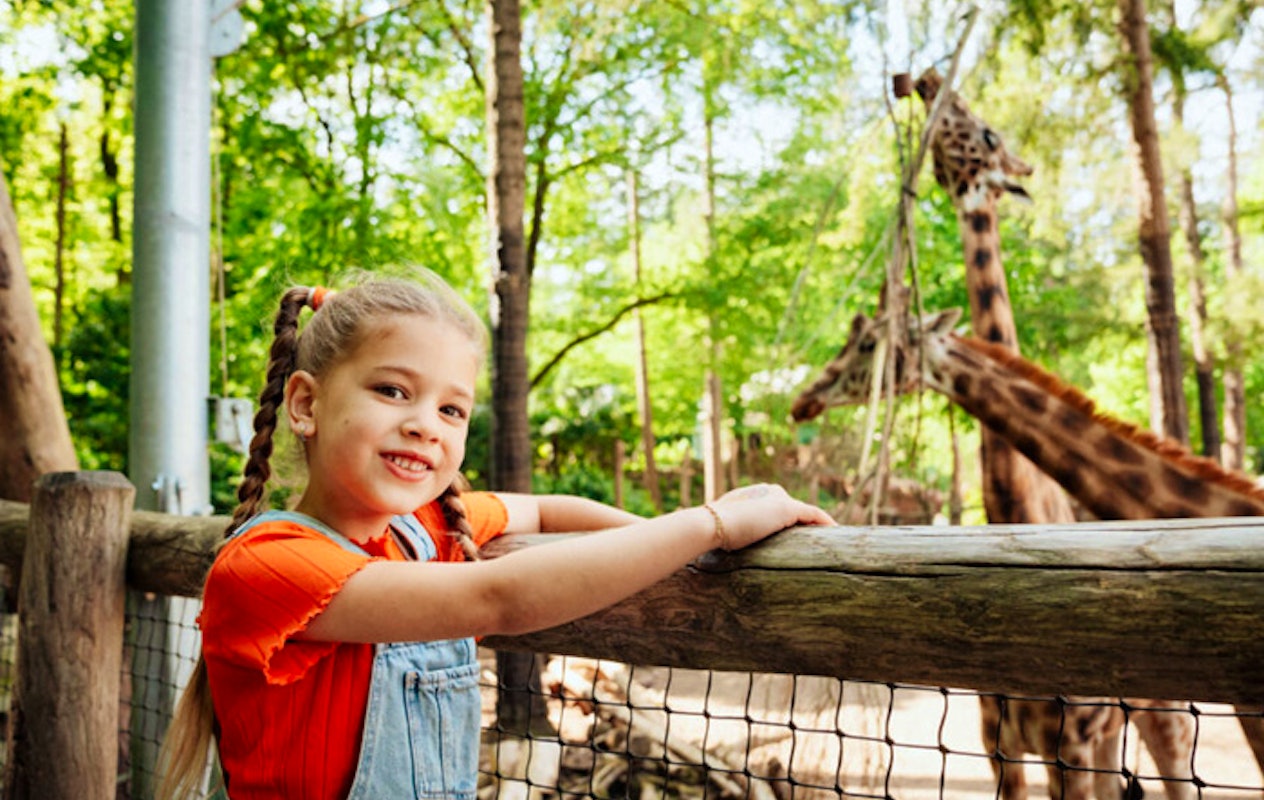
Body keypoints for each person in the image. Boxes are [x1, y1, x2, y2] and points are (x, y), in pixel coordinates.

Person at [157, 270, 834, 800]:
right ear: (305, 404)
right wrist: (709, 522)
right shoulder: (268, 566)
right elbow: (497, 599)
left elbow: (545, 509)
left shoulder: (426, 531)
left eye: (452, 408)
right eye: (393, 391)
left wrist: (695, 550)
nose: (427, 424)